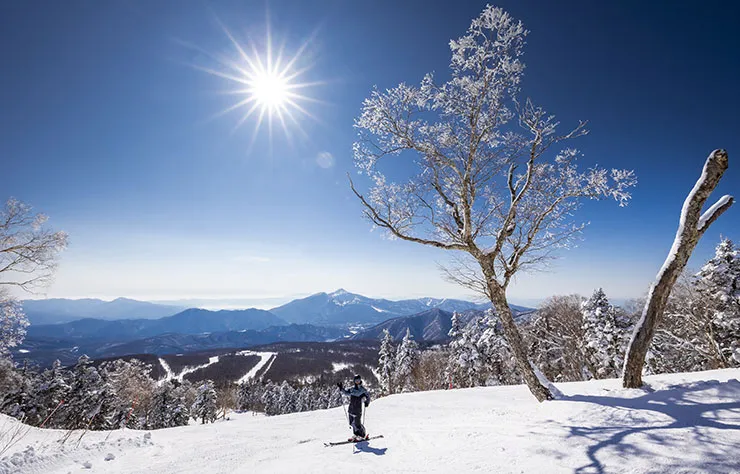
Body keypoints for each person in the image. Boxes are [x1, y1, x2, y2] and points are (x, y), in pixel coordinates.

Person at [337, 374, 371, 441]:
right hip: (351, 408)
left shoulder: (362, 390)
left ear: (360, 380)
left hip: (358, 409)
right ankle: (356, 435)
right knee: (352, 423)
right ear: (354, 381)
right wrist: (341, 388)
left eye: (358, 380)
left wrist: (367, 402)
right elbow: (346, 393)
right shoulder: (352, 389)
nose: (357, 382)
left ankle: (362, 435)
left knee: (357, 424)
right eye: (356, 380)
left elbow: (368, 396)